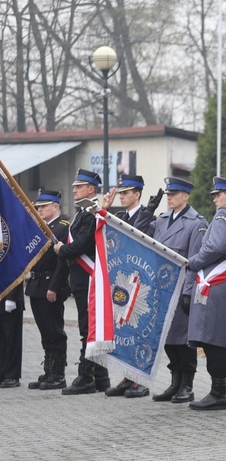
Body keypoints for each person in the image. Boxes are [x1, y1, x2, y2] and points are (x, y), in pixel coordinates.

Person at [135, 177, 208, 403]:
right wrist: (148, 210)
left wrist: (188, 291)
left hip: (180, 288)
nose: (169, 198)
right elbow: (139, 232)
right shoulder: (162, 219)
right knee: (166, 338)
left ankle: (187, 385)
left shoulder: (196, 223)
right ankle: (175, 382)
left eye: (173, 194)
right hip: (160, 289)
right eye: (168, 194)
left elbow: (194, 261)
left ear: (185, 196)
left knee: (183, 340)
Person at [187, 177, 226, 411]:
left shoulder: (225, 215)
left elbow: (214, 248)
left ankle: (218, 393)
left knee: (212, 338)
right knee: (224, 339)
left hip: (215, 279)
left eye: (218, 194)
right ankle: (222, 390)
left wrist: (192, 262)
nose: (215, 199)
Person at [54, 169, 111, 395]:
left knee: (87, 328)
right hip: (80, 278)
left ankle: (86, 377)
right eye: (74, 186)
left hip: (88, 278)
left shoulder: (92, 214)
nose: (74, 189)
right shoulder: (82, 213)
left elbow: (81, 246)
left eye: (79, 186)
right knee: (88, 327)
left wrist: (61, 249)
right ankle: (101, 378)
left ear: (91, 189)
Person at [100, 174, 151, 398]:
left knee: (140, 332)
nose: (122, 196)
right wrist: (105, 208)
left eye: (126, 193)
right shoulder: (118, 216)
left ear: (137, 194)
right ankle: (127, 377)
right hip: (121, 283)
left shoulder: (148, 216)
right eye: (120, 192)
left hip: (139, 284)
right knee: (124, 332)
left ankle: (141, 380)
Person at [25, 190, 70, 390]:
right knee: (44, 331)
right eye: (38, 207)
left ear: (55, 206)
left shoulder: (62, 228)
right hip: (36, 285)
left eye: (44, 206)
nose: (40, 210)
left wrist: (54, 286)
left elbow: (63, 261)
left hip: (51, 284)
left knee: (54, 330)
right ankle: (49, 371)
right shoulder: (40, 228)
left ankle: (58, 375)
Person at [0, 284, 24, 388]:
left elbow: (15, 272)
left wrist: (12, 297)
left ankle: (12, 375)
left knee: (11, 337)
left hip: (8, 297)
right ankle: (2, 372)